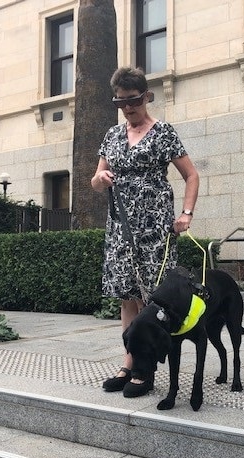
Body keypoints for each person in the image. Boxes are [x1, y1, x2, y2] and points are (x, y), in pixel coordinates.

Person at [91, 66, 199, 398]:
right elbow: (95, 180)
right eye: (120, 102)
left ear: (146, 96)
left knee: (151, 298)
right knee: (127, 296)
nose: (127, 108)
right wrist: (102, 179)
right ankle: (129, 362)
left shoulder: (163, 132)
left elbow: (191, 176)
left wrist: (186, 214)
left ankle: (146, 368)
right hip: (121, 228)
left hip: (154, 228)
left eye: (133, 101)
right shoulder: (111, 135)